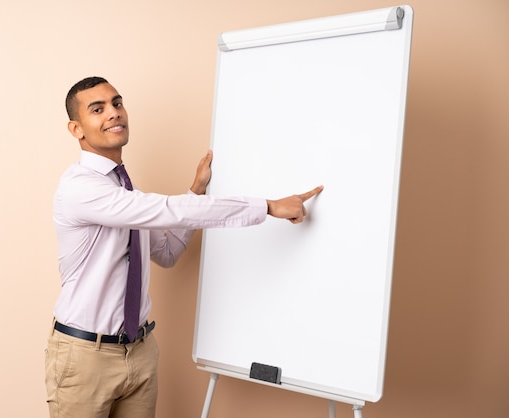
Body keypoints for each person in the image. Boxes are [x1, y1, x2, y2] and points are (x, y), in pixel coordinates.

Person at [45, 76, 323, 418]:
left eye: (117, 103)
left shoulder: (125, 191)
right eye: (98, 109)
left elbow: (166, 253)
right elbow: (165, 210)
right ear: (77, 129)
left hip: (140, 351)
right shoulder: (81, 189)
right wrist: (267, 206)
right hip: (86, 355)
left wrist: (196, 190)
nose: (114, 114)